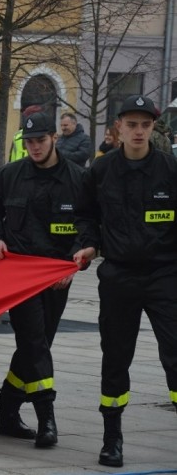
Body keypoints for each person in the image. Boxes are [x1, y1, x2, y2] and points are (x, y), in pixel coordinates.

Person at [72, 95, 177, 468]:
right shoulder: (101, 171)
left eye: (145, 125)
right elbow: (85, 215)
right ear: (119, 127)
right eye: (131, 124)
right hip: (118, 275)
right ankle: (111, 437)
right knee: (116, 358)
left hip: (166, 275)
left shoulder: (169, 168)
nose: (138, 131)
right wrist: (87, 245)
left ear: (153, 128)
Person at [0, 111, 84, 449]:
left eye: (40, 140)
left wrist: (76, 259)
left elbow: (88, 223)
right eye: (29, 142)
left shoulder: (77, 179)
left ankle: (7, 412)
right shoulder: (10, 175)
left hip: (56, 277)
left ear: (54, 137)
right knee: (35, 342)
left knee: (36, 347)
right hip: (20, 275)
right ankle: (46, 418)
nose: (35, 147)